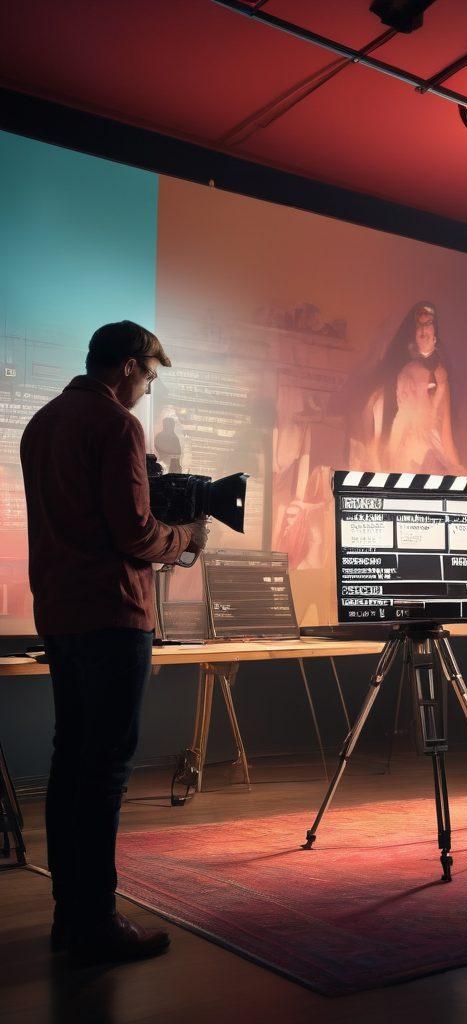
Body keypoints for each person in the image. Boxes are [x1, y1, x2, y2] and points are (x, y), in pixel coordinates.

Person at [19, 321, 208, 966]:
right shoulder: (117, 425)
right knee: (103, 771)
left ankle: (69, 915)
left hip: (61, 614)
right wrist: (185, 539)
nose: (147, 389)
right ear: (127, 365)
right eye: (148, 375)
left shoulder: (42, 422)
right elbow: (134, 534)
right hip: (114, 613)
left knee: (70, 761)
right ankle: (96, 921)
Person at [347, 301, 465, 473]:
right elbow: (382, 430)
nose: (423, 331)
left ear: (435, 333)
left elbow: (446, 434)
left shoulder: (439, 376)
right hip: (400, 459)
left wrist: (458, 472)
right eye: (419, 326)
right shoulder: (393, 383)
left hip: (429, 457)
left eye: (428, 324)